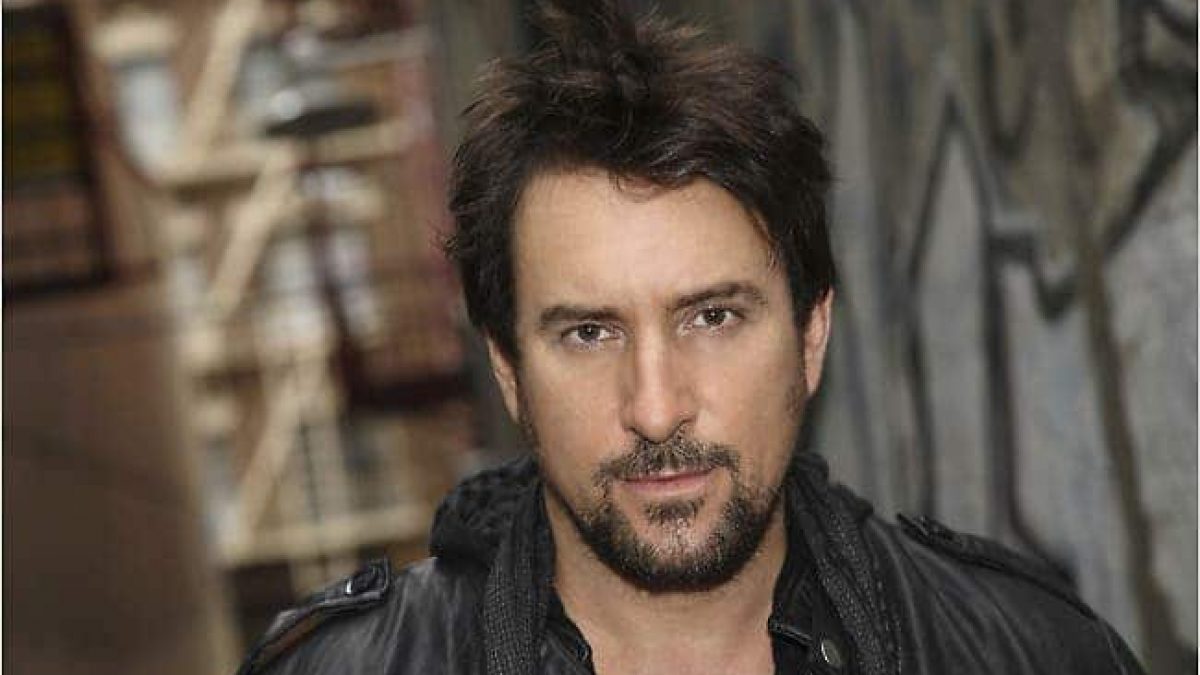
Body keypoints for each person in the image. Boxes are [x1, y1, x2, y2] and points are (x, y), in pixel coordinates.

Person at [237, 2, 1145, 673]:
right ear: (508, 370)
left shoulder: (1027, 651)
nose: (657, 406)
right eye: (589, 332)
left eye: (713, 317)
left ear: (812, 335)